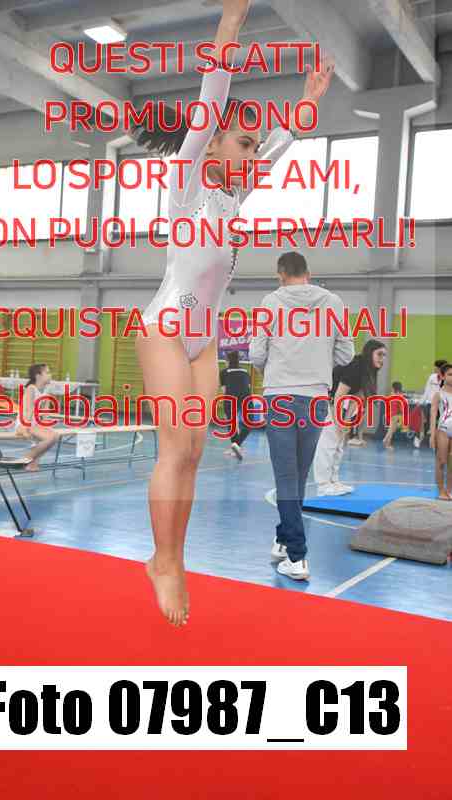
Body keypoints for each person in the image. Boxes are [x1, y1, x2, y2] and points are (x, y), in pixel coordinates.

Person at [133, 0, 335, 623]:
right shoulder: (188, 180)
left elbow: (277, 149)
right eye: (242, 143)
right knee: (175, 449)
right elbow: (212, 94)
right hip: (167, 330)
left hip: (204, 343)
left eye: (251, 147)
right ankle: (166, 563)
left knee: (195, 453)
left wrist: (307, 104)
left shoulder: (232, 195)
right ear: (212, 139)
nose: (251, 154)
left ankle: (170, 558)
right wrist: (230, 25)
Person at [249, 252, 354, 581]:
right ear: (308, 272)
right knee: (298, 475)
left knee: (285, 476)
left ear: (280, 274)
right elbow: (346, 353)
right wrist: (317, 362)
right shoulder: (333, 302)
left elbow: (256, 353)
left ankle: (297, 556)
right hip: (316, 398)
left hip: (280, 395)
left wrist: (276, 370)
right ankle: (283, 539)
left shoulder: (270, 302)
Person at [313, 340, 387, 496]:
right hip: (324, 399)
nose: (382, 359)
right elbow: (338, 395)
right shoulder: (356, 366)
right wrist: (338, 422)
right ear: (369, 353)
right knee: (329, 442)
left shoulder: (369, 371)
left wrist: (346, 422)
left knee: (340, 442)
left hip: (337, 401)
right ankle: (323, 485)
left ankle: (333, 481)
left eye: (384, 355)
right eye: (379, 354)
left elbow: (357, 397)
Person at [15, 364, 60, 472]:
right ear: (38, 376)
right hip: (24, 423)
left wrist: (47, 426)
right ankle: (27, 458)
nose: (50, 375)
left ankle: (32, 462)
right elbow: (28, 410)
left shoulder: (47, 390)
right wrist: (25, 428)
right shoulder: (31, 388)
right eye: (47, 373)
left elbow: (45, 413)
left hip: (35, 424)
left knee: (55, 436)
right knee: (49, 438)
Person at [220, 351, 252, 460]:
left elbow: (224, 390)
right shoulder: (246, 372)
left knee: (232, 423)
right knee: (249, 423)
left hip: (231, 397)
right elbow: (248, 387)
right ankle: (237, 445)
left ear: (228, 361)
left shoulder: (224, 372)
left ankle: (235, 445)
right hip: (246, 397)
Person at [430, 363, 452, 500]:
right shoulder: (438, 394)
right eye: (450, 374)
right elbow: (433, 415)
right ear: (443, 376)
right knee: (442, 461)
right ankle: (441, 491)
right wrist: (432, 435)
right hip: (443, 430)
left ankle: (449, 490)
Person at [416, 359, 448, 447]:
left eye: (436, 367)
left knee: (441, 424)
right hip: (430, 403)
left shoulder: (447, 379)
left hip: (442, 405)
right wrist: (421, 401)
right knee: (425, 422)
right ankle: (419, 438)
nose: (434, 369)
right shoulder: (432, 377)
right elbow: (427, 390)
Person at [382, 381, 409, 450]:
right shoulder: (399, 395)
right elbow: (400, 406)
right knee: (391, 430)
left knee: (392, 429)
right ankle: (387, 443)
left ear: (393, 388)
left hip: (390, 413)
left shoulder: (392, 394)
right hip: (395, 414)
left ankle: (385, 439)